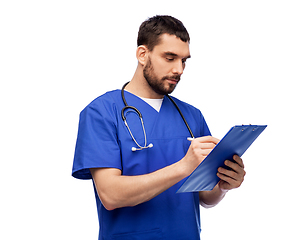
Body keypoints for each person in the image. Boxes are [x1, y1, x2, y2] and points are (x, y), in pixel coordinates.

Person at [72, 15, 246, 240]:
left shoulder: (191, 116)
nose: (179, 69)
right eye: (170, 57)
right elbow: (110, 194)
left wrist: (223, 185)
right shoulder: (102, 112)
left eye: (184, 60)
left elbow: (205, 196)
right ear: (143, 55)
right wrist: (183, 167)